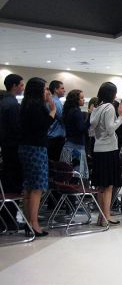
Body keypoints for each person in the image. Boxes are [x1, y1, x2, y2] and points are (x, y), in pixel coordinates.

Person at [19, 77, 56, 237]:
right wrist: (52, 110)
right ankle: (34, 223)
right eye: (45, 89)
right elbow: (43, 125)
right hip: (36, 149)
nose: (47, 92)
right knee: (37, 188)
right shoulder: (37, 106)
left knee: (29, 188)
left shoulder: (25, 105)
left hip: (26, 147)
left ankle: (29, 222)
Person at [90, 82, 122, 226]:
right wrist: (121, 118)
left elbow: (92, 130)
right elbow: (111, 129)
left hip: (98, 149)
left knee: (101, 186)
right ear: (112, 94)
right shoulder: (110, 107)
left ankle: (101, 216)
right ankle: (107, 216)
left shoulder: (96, 108)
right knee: (109, 185)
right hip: (109, 149)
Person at [0, 74, 24, 230]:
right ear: (14, 85)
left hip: (6, 148)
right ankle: (10, 220)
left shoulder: (4, 102)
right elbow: (17, 129)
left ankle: (6, 219)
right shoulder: (12, 104)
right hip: (13, 149)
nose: (23, 87)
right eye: (21, 85)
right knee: (13, 186)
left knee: (7, 184)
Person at [60, 89, 90, 180]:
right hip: (76, 147)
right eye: (81, 98)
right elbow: (82, 129)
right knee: (76, 175)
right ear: (75, 100)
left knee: (68, 175)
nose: (83, 100)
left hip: (68, 145)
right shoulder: (77, 112)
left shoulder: (68, 111)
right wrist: (90, 117)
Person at [47, 80, 66, 161]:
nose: (64, 90)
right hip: (55, 139)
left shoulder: (53, 101)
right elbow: (63, 119)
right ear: (55, 89)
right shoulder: (56, 102)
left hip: (52, 138)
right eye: (62, 88)